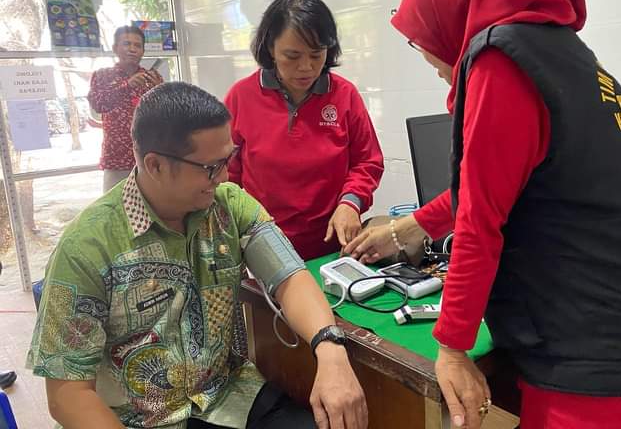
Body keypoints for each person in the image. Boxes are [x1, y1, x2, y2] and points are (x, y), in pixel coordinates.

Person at [345, 0, 621, 428]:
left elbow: (480, 221)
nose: (429, 61)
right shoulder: (561, 50)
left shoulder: (498, 60)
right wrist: (408, 228)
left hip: (609, 364)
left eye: (421, 43)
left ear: (444, 20)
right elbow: (496, 185)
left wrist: (452, 347)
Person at [27, 82, 367, 429]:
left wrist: (330, 350)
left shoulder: (229, 206)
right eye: (211, 167)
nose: (225, 176)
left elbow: (290, 277)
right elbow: (68, 395)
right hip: (136, 420)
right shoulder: (87, 247)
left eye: (228, 159)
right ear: (156, 165)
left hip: (228, 397)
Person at [224, 0, 384, 261]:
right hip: (263, 243)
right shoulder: (241, 97)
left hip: (332, 243)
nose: (306, 67)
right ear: (270, 48)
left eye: (316, 54)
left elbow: (367, 162)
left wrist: (351, 203)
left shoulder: (344, 95)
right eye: (292, 55)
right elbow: (227, 175)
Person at [89, 25, 163, 193]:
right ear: (115, 48)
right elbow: (98, 105)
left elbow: (166, 114)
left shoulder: (152, 77)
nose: (132, 49)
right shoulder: (102, 76)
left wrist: (160, 90)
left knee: (152, 204)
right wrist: (126, 86)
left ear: (143, 51)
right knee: (114, 205)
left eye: (137, 45)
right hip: (117, 158)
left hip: (149, 157)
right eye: (126, 44)